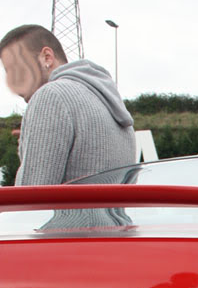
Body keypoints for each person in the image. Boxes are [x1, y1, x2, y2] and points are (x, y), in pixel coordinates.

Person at [0, 24, 136, 185]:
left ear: (47, 57)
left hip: (67, 211)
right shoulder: (110, 103)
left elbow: (31, 196)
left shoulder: (51, 96)